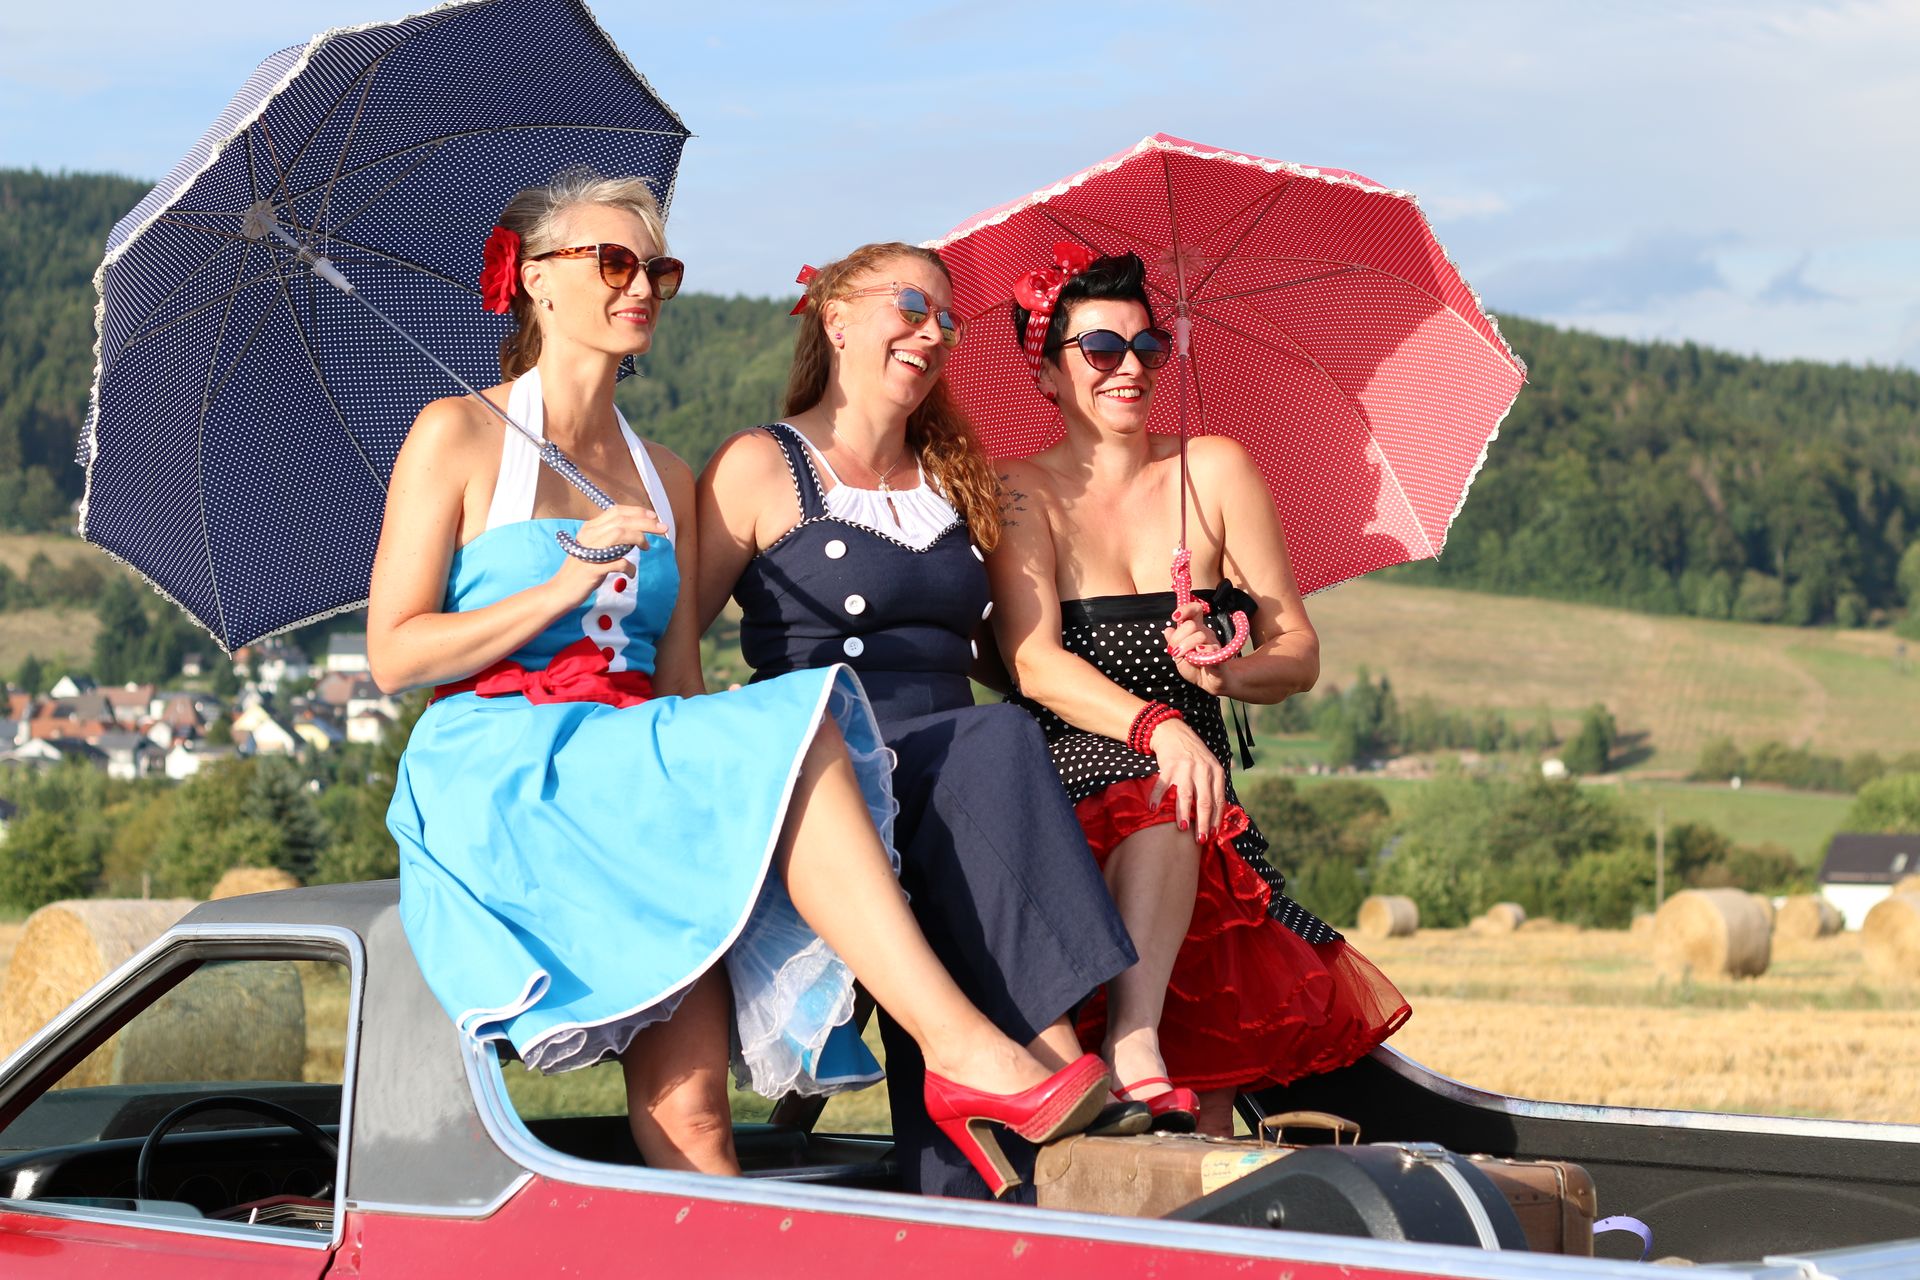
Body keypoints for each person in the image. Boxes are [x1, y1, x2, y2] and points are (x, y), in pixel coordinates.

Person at [370, 175, 1108, 1198]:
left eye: (659, 270)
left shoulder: (668, 475)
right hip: (505, 763)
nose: (643, 287)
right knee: (802, 719)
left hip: (631, 766)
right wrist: (562, 587)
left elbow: (676, 677)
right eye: (615, 263)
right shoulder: (456, 434)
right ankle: (961, 1051)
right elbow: (396, 653)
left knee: (694, 1111)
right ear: (535, 278)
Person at [695, 242, 1141, 1199]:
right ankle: (1057, 1054)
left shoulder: (956, 475)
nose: (932, 332)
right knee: (995, 742)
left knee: (1000, 753)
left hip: (950, 768)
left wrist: (1164, 668)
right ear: (835, 318)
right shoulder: (761, 465)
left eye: (947, 319)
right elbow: (674, 638)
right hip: (829, 769)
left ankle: (984, 1167)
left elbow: (1006, 657)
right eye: (910, 306)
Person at [987, 250, 1410, 1137]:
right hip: (1072, 773)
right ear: (1048, 371)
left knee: (1205, 1106)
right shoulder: (1021, 491)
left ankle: (1164, 1110)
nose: (1131, 367)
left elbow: (1297, 651)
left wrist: (1224, 674)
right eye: (1101, 348)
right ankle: (1131, 1042)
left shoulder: (1213, 472)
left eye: (1148, 346)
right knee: (1166, 795)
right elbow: (1033, 665)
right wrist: (1158, 726)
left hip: (1198, 797)